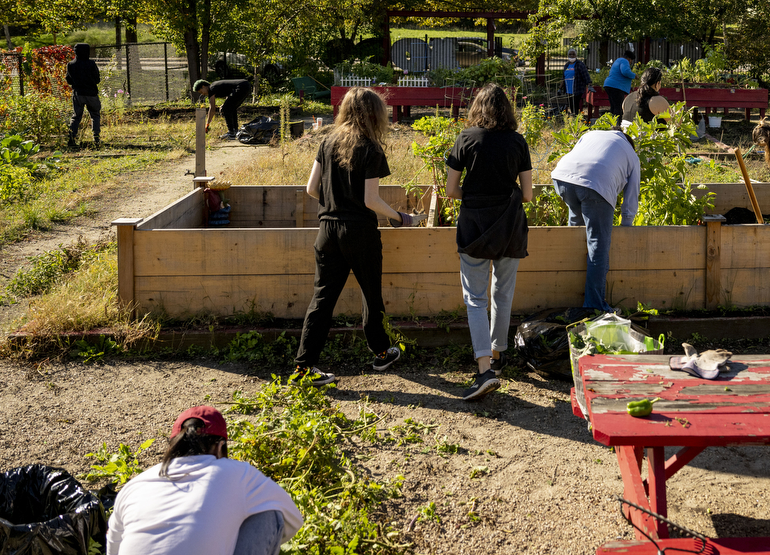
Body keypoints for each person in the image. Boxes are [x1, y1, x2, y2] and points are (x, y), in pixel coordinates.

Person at [295, 87, 418, 386]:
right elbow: (370, 200)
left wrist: (336, 203)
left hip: (327, 231)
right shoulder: (370, 148)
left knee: (322, 299)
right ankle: (380, 352)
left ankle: (304, 367)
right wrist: (402, 218)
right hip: (360, 232)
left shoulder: (327, 141)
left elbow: (312, 189)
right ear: (376, 114)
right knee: (370, 293)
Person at [107, 405, 302, 555]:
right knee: (269, 513)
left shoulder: (136, 484)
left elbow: (113, 548)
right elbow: (292, 519)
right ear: (220, 446)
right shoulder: (238, 473)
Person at [444, 84, 533, 401]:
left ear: (477, 109)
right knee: (503, 293)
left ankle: (483, 369)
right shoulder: (518, 142)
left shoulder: (466, 138)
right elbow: (527, 195)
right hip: (510, 226)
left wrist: (476, 196)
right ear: (508, 110)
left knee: (475, 299)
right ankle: (497, 358)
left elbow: (451, 190)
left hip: (475, 228)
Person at [550, 127, 640, 311]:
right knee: (598, 245)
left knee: (576, 229)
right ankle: (594, 307)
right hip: (596, 185)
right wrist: (626, 227)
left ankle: (564, 294)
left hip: (561, 178)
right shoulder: (631, 154)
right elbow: (631, 197)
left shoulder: (590, 134)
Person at [66, 42, 102, 147]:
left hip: (78, 93)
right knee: (95, 115)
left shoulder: (71, 64)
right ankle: (96, 138)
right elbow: (97, 79)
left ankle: (72, 139)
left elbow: (69, 80)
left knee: (76, 117)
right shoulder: (91, 64)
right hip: (92, 94)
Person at [602, 47, 636, 118]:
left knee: (613, 106)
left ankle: (612, 123)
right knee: (618, 107)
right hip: (616, 87)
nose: (630, 63)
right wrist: (634, 75)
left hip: (610, 85)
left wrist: (629, 87)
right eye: (631, 61)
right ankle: (618, 125)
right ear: (629, 59)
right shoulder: (624, 61)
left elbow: (618, 75)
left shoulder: (618, 60)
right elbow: (625, 72)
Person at [562, 49, 589, 117]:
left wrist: (589, 84)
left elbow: (585, 75)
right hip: (568, 88)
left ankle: (576, 117)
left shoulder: (580, 64)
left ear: (576, 55)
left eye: (573, 54)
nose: (571, 56)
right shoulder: (567, 65)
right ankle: (573, 116)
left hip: (577, 87)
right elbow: (564, 77)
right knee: (571, 103)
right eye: (570, 54)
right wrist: (560, 88)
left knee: (575, 103)